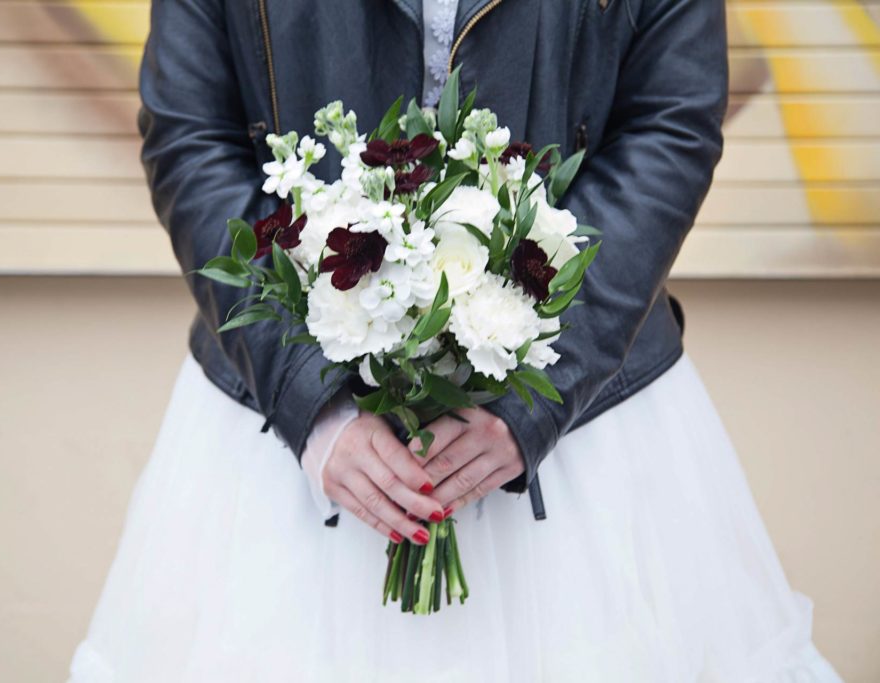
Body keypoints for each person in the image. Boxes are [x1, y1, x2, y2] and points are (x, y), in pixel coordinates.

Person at [68, 1, 843, 680]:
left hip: (588, 439)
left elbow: (671, 124)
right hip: (287, 450)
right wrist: (315, 403)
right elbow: (188, 134)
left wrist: (536, 393)